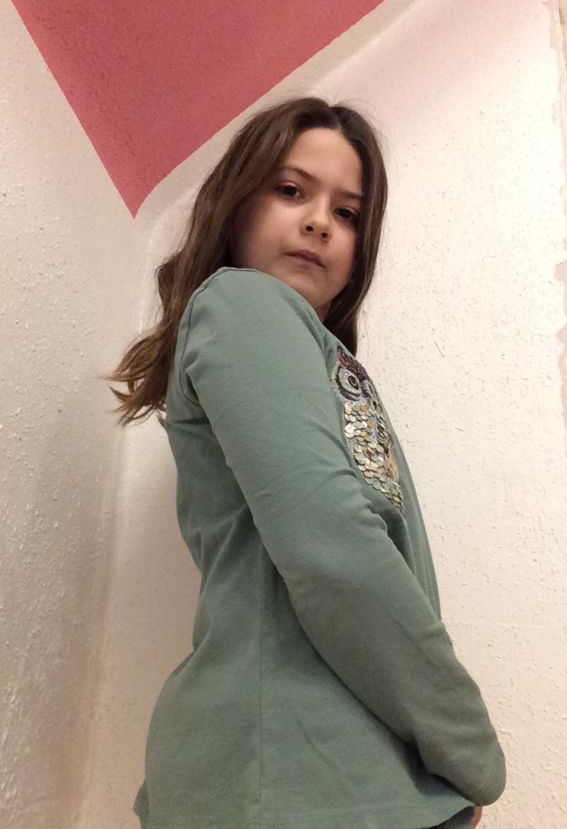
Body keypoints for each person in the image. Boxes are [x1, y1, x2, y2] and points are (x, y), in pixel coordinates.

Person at [104, 96, 506, 829]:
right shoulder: (243, 302)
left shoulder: (315, 352)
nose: (320, 221)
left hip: (327, 775)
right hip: (294, 775)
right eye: (290, 190)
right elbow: (329, 542)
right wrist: (470, 750)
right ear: (235, 204)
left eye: (347, 213)